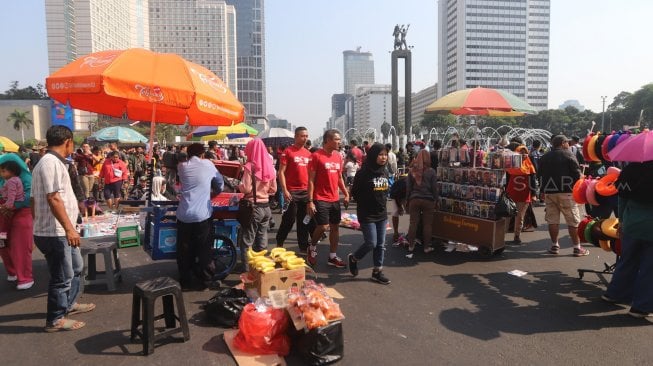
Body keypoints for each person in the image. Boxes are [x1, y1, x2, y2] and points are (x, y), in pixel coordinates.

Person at [32, 125, 95, 332]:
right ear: (68, 141)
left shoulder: (56, 163)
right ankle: (55, 319)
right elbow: (53, 197)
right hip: (55, 232)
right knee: (62, 276)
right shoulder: (50, 163)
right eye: (73, 143)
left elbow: (35, 200)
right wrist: (68, 229)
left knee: (76, 269)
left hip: (61, 230)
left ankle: (69, 304)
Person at [602, 160, 653, 317]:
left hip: (631, 223)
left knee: (627, 260)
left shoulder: (631, 169)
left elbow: (622, 198)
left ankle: (615, 294)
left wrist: (622, 221)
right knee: (649, 268)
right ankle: (641, 306)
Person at [176, 143, 224, 290]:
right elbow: (220, 185)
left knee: (184, 249)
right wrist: (211, 193)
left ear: (188, 154)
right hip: (202, 215)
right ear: (203, 154)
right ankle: (206, 281)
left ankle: (185, 280)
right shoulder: (208, 165)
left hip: (183, 214)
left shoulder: (181, 167)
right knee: (204, 249)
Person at [537, 135, 588, 256]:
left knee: (552, 220)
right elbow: (577, 174)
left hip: (550, 192)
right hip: (567, 192)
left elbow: (539, 175)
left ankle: (554, 245)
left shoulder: (545, 157)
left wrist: (542, 191)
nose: (568, 144)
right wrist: (581, 178)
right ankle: (577, 248)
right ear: (563, 143)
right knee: (573, 221)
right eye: (567, 142)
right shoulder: (569, 154)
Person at [348, 143, 391, 284]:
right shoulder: (363, 173)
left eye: (385, 154)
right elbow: (355, 192)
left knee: (381, 244)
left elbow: (386, 191)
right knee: (371, 243)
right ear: (373, 155)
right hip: (367, 214)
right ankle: (354, 258)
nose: (383, 157)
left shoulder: (385, 171)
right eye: (380, 154)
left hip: (382, 214)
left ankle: (377, 271)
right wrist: (366, 200)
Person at [307, 129, 350, 268]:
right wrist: (310, 201)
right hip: (320, 198)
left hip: (335, 198)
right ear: (328, 140)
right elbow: (311, 180)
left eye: (339, 139)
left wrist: (346, 193)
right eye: (337, 139)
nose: (340, 142)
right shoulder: (316, 156)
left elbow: (339, 178)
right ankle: (312, 247)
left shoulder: (338, 156)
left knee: (335, 227)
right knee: (323, 226)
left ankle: (332, 256)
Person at [276, 127, 316, 253]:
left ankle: (303, 247)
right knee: (289, 219)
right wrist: (284, 190)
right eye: (302, 136)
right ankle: (280, 241)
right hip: (292, 191)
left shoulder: (309, 154)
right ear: (296, 136)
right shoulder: (288, 152)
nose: (305, 138)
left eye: (306, 136)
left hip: (305, 192)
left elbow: (311, 176)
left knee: (304, 221)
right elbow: (281, 172)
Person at [238, 139, 277, 260]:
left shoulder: (250, 167)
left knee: (247, 242)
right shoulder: (270, 167)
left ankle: (247, 271)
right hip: (266, 208)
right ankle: (261, 268)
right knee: (262, 239)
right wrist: (263, 191)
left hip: (253, 208)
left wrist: (238, 184)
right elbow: (273, 190)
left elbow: (245, 188)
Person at [0, 154, 34, 291]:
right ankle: (13, 271)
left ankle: (25, 277)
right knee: (3, 244)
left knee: (20, 247)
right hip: (3, 216)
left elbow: (29, 197)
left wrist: (11, 206)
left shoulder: (25, 179)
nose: (2, 172)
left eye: (4, 169)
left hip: (21, 215)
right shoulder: (5, 179)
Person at [405, 150, 438, 258]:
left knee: (413, 223)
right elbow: (434, 188)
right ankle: (426, 247)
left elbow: (408, 188)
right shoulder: (432, 171)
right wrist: (436, 200)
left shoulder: (412, 171)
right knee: (427, 225)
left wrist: (407, 200)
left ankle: (410, 246)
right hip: (428, 200)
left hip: (414, 199)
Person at [505, 143, 538, 245]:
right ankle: (500, 235)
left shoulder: (529, 165)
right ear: (517, 153)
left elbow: (533, 181)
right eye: (521, 152)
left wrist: (534, 194)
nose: (524, 155)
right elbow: (506, 179)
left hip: (524, 193)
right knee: (507, 215)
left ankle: (517, 236)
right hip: (511, 192)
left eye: (525, 153)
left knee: (520, 216)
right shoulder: (511, 164)